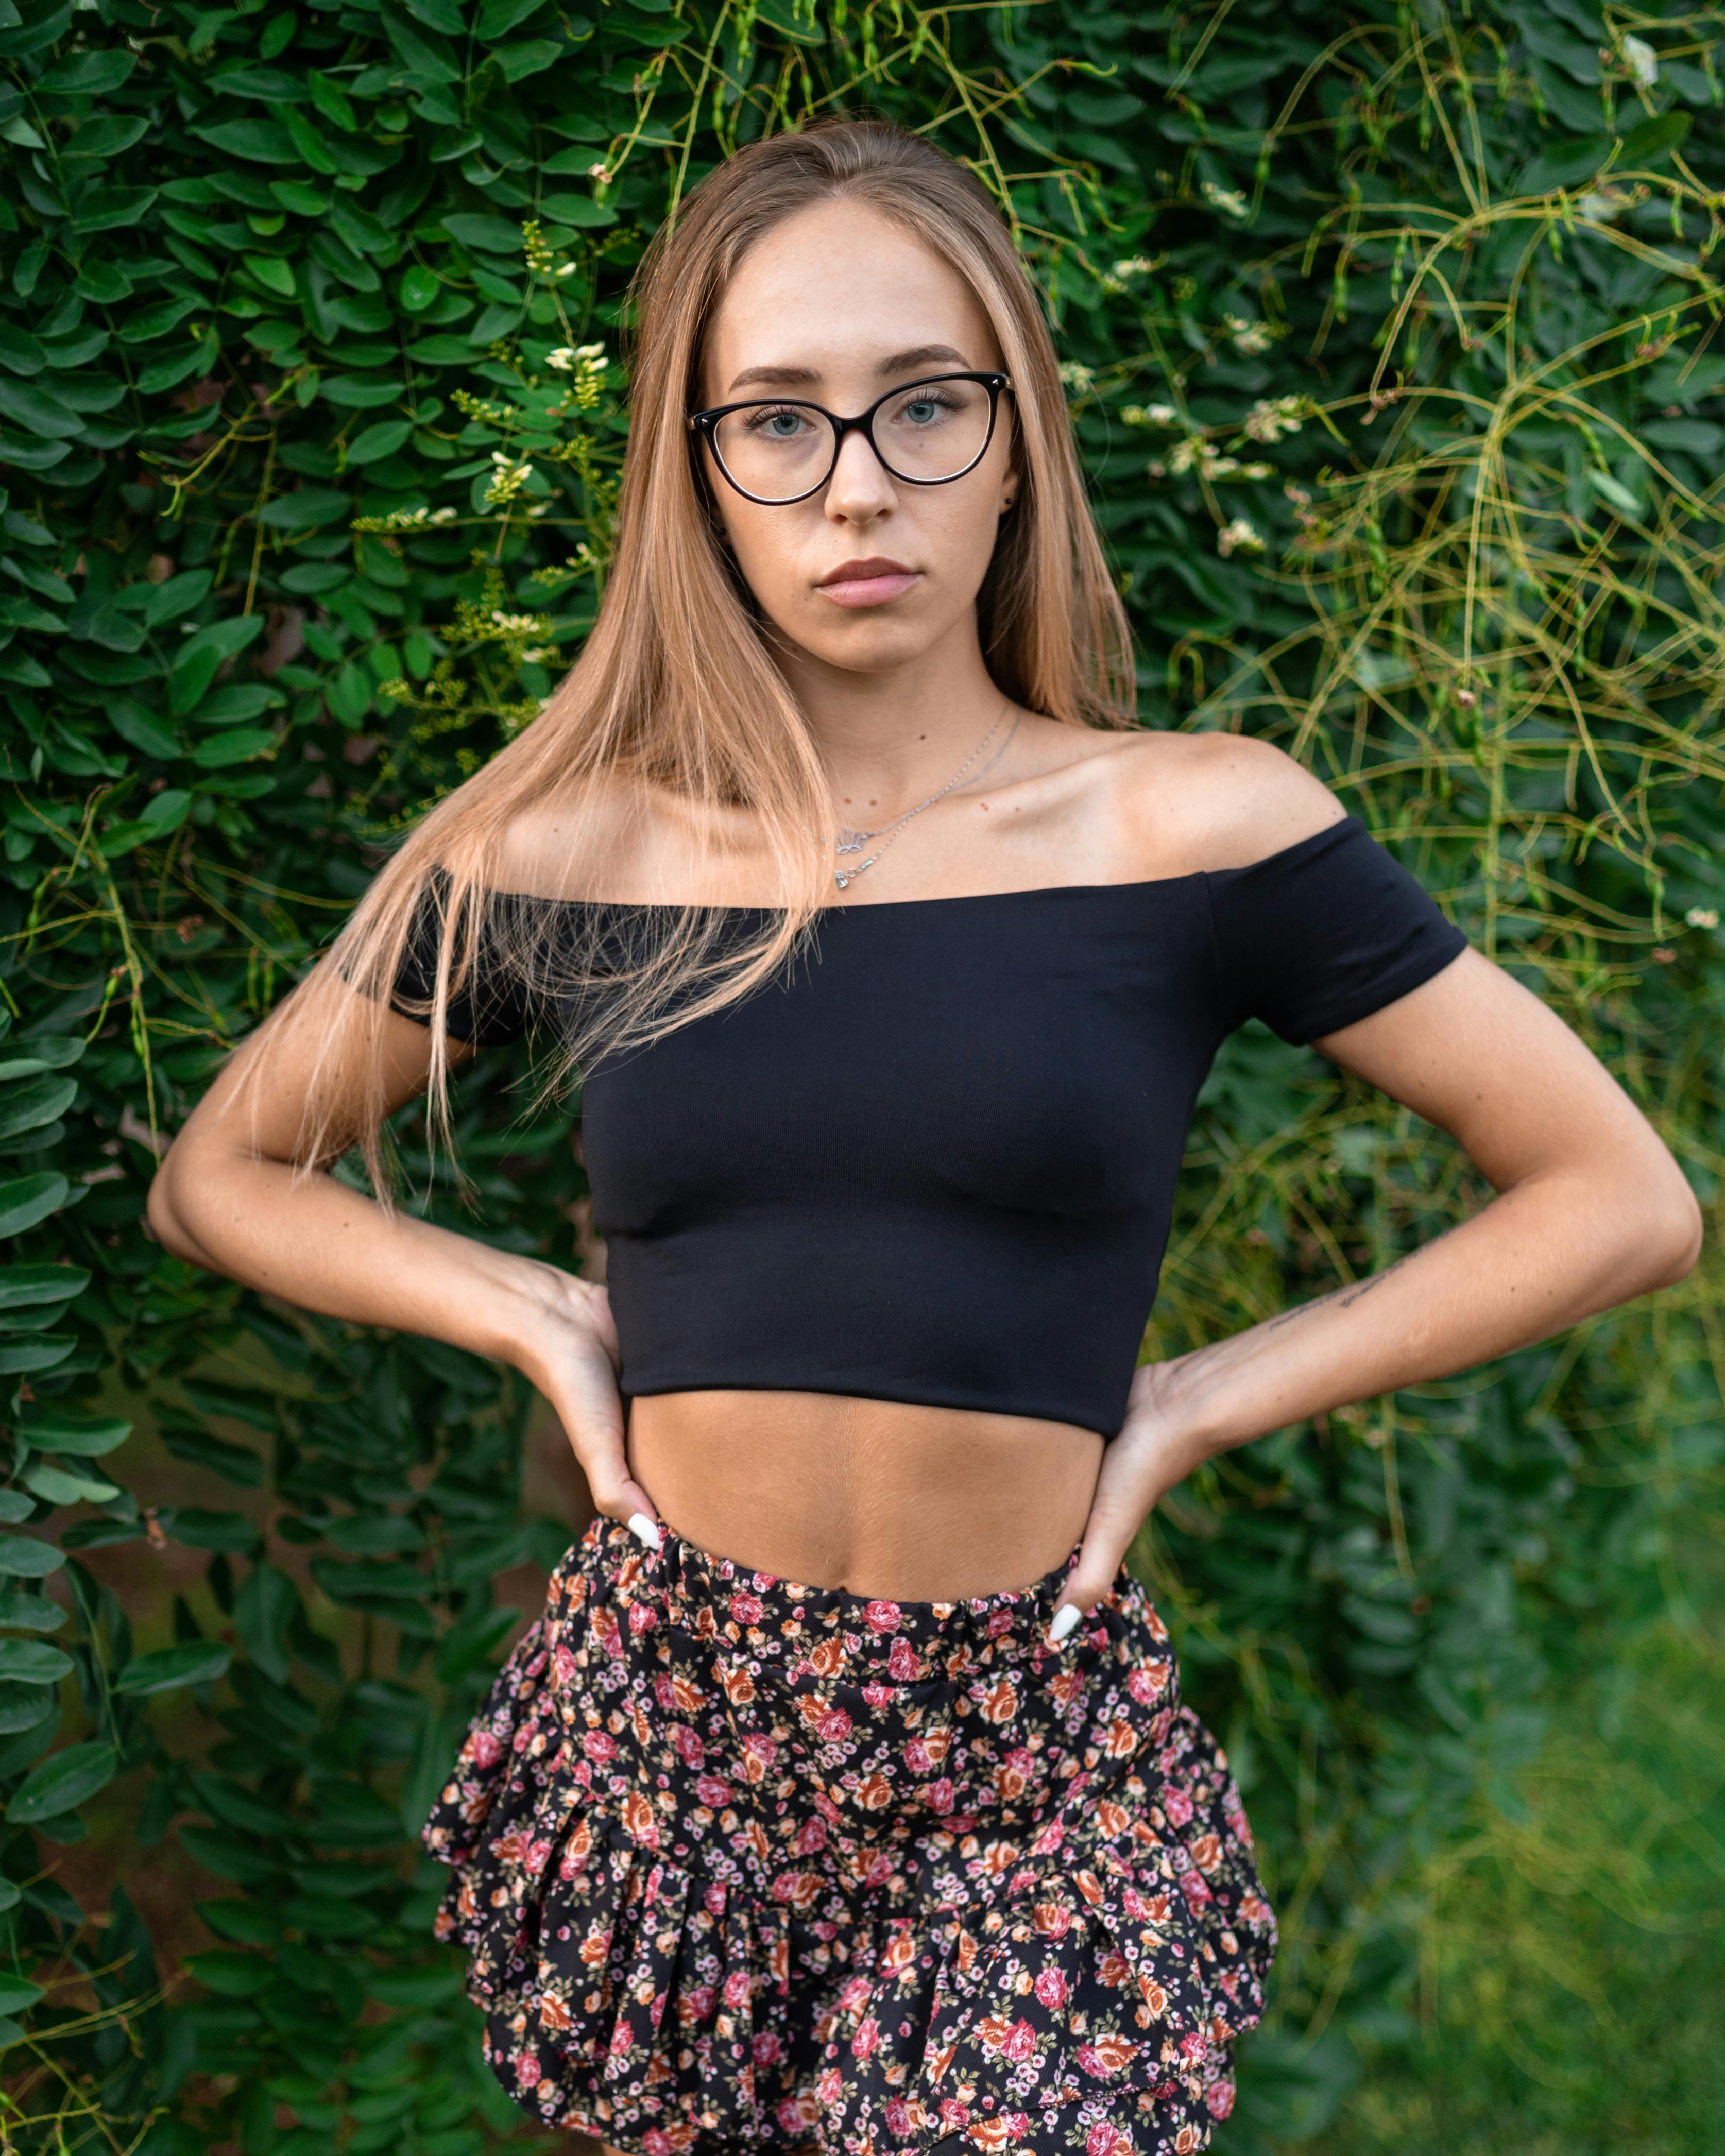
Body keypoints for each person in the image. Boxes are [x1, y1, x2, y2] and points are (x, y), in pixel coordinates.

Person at [147, 115, 1701, 2156]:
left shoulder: (1196, 828)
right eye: (775, 421)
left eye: (921, 407)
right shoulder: (572, 853)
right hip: (670, 1722)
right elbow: (221, 1171)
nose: (855, 484)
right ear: (692, 465)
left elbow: (1616, 1197)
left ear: (1019, 433)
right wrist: (532, 1312)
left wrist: (1191, 1405)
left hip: (1027, 1744)